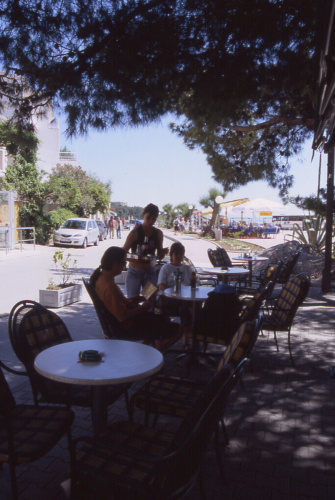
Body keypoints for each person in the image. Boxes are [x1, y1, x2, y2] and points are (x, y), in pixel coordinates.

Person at [91, 247, 182, 352]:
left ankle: (144, 350)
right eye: (124, 263)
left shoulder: (102, 279)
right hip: (126, 327)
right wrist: (144, 307)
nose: (125, 266)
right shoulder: (109, 286)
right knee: (178, 329)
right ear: (115, 264)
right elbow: (122, 316)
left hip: (121, 324)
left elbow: (119, 302)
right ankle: (152, 356)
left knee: (163, 319)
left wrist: (142, 297)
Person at [124, 203, 168, 297]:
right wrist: (136, 258)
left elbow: (160, 255)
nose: (150, 221)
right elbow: (123, 253)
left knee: (149, 303)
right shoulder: (135, 233)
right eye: (148, 218)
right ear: (143, 215)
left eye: (154, 219)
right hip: (134, 272)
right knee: (133, 302)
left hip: (150, 272)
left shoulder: (158, 233)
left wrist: (163, 252)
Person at [157, 242, 193, 350]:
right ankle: (197, 319)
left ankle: (185, 342)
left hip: (183, 300)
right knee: (189, 305)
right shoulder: (166, 267)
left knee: (185, 308)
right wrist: (175, 292)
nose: (178, 256)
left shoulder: (187, 268)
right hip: (166, 298)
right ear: (172, 254)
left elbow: (192, 285)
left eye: (181, 254)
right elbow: (161, 286)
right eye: (176, 253)